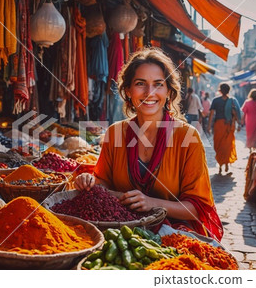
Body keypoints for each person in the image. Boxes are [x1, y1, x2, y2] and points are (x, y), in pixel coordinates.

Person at [74, 48, 223, 240]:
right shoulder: (115, 133)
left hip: (174, 237)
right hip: (119, 232)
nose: (149, 92)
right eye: (140, 83)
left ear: (169, 91)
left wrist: (152, 203)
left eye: (158, 84)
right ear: (128, 90)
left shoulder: (187, 136)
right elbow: (103, 183)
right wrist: (89, 182)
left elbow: (197, 208)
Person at [206, 83, 242, 175]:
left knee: (218, 145)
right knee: (227, 145)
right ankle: (226, 163)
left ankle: (221, 164)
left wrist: (209, 125)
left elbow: (211, 114)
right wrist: (239, 125)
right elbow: (236, 113)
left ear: (220, 90)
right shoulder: (232, 101)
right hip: (228, 126)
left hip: (218, 125)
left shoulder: (215, 100)